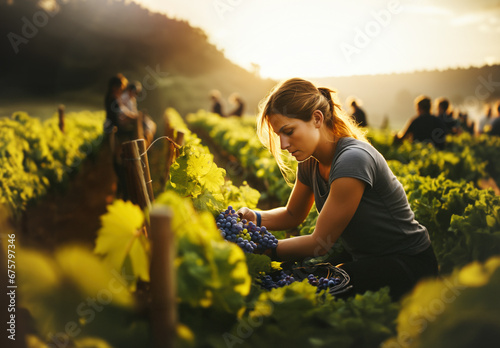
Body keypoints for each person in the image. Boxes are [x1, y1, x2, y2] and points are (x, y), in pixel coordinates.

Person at [237, 78, 438, 301]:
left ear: (316, 118)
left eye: (289, 131)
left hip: (406, 264)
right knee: (285, 281)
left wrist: (265, 249)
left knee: (303, 293)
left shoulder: (352, 160)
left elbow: (320, 242)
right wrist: (252, 217)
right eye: (279, 135)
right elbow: (292, 214)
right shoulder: (310, 162)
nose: (283, 144)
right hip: (365, 258)